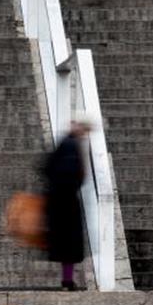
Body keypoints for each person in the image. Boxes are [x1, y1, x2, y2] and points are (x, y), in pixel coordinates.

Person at [42, 116, 94, 290]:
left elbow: (46, 167)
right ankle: (67, 280)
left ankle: (67, 280)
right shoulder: (71, 145)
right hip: (66, 202)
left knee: (66, 246)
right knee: (69, 246)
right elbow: (70, 173)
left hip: (59, 200)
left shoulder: (66, 142)